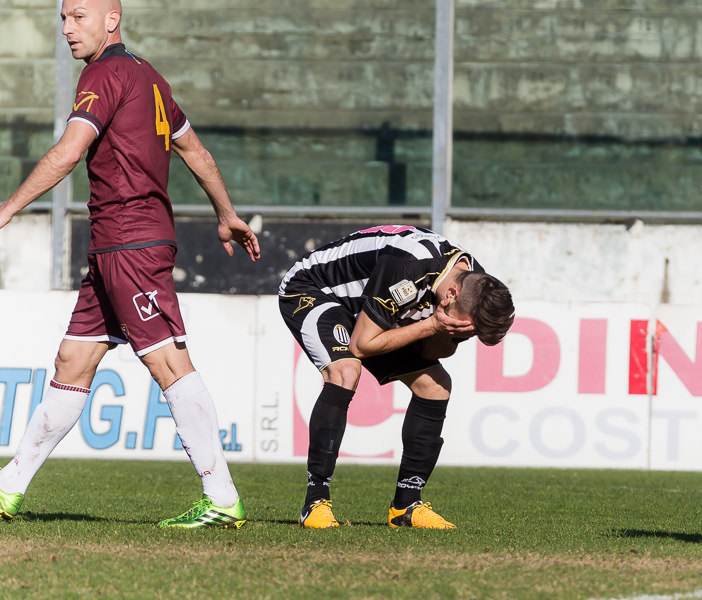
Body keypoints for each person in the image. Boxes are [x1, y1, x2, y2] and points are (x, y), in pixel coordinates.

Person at [0, 0, 261, 528]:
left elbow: (69, 152)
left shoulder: (104, 74)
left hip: (130, 245)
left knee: (169, 365)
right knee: (73, 363)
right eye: (63, 20)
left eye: (78, 16)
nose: (68, 29)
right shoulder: (150, 77)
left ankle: (222, 497)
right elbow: (197, 154)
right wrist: (226, 213)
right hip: (116, 248)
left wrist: (7, 208)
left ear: (111, 19)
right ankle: (8, 489)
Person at [278, 225, 514, 529]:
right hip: (314, 290)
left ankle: (406, 507)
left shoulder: (476, 287)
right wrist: (433, 326)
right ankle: (315, 503)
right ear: (451, 295)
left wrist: (442, 329)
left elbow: (435, 352)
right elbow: (361, 346)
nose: (465, 335)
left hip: (368, 312)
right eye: (465, 329)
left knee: (436, 386)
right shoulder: (408, 265)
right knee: (346, 369)